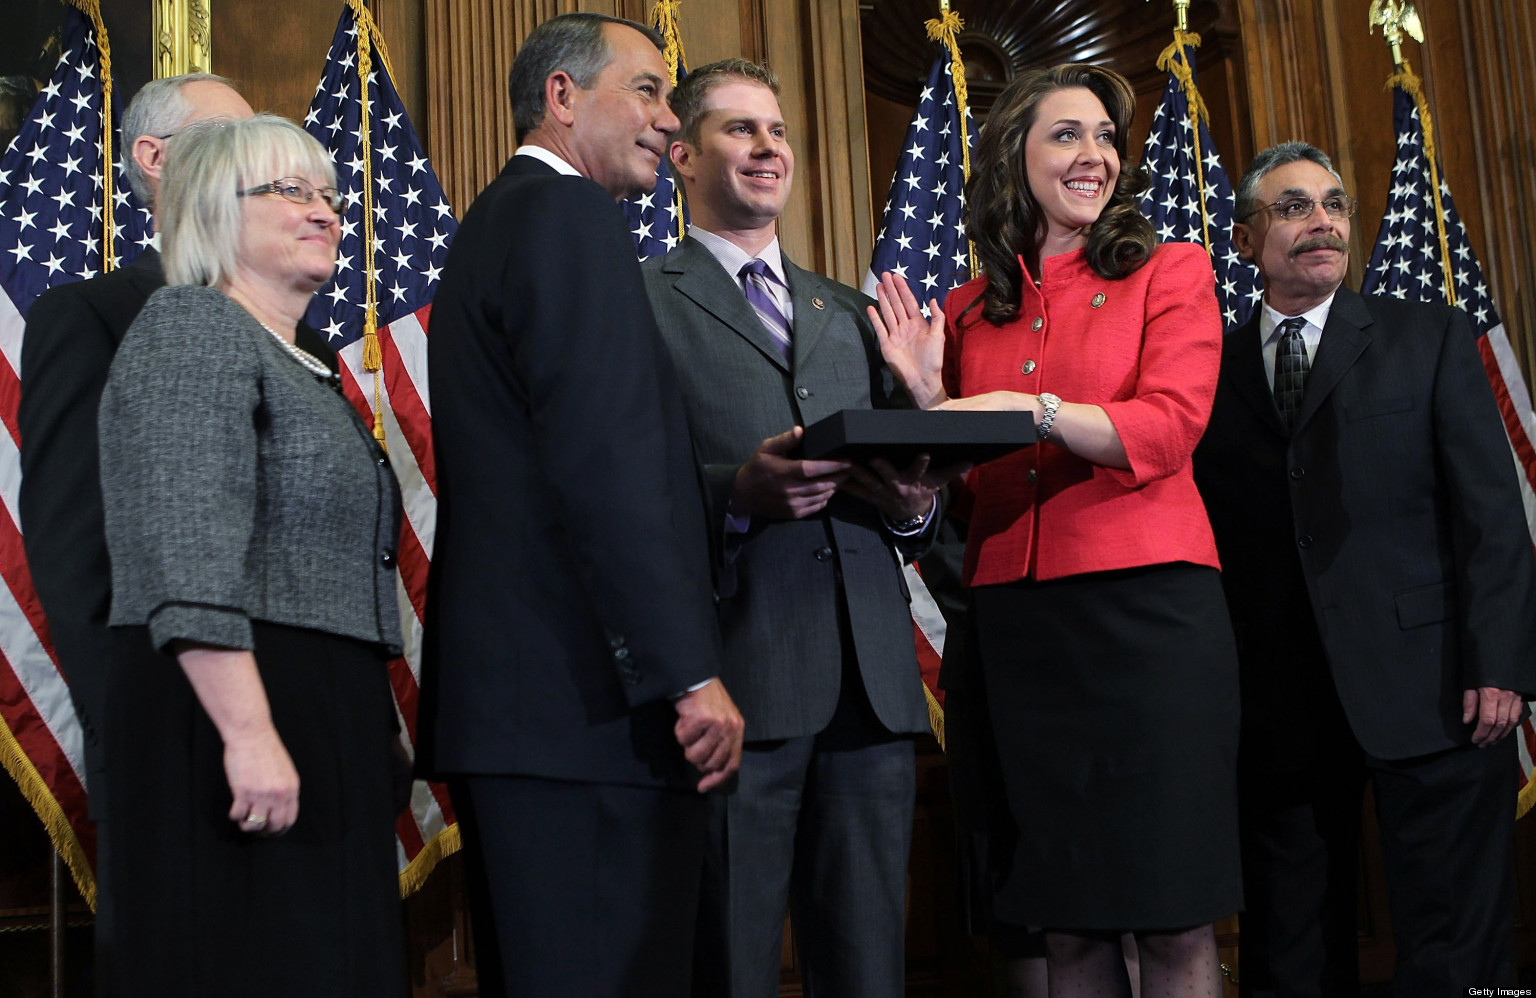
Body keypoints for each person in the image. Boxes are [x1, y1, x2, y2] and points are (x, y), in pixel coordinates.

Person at [871, 63, 1241, 997]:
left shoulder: (1174, 269)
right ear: (1014, 155)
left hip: (1148, 620)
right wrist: (929, 402)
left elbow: (1168, 426)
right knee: (1064, 920)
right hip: (1016, 631)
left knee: (1169, 913)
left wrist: (1031, 408)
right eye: (1068, 134)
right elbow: (966, 496)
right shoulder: (966, 310)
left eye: (1107, 136)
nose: (1095, 156)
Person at [416, 14, 744, 998]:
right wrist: (689, 672)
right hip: (585, 715)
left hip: (539, 717)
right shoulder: (563, 220)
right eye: (645, 90)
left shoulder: (503, 221)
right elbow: (606, 467)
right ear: (562, 96)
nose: (669, 121)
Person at [642, 59, 961, 998]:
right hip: (736, 684)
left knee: (869, 971)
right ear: (683, 156)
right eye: (740, 130)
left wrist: (919, 492)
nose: (768, 148)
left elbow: (911, 506)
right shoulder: (640, 300)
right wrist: (735, 495)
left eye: (777, 131)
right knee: (731, 965)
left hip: (872, 692)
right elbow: (626, 490)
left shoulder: (855, 313)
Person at [1192, 141, 1536, 997]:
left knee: (1456, 947)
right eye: (1295, 206)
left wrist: (1501, 665)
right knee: (1292, 952)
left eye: (1336, 205)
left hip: (1439, 690)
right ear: (1243, 241)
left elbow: (1493, 516)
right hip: (1281, 711)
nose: (1324, 223)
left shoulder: (1430, 338)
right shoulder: (1208, 371)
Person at [96, 115, 404, 997]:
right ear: (209, 212)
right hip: (231, 706)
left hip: (317, 706)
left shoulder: (299, 360)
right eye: (290, 192)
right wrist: (249, 733)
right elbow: (184, 548)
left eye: (330, 195)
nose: (326, 212)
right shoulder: (191, 327)